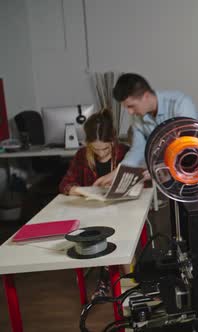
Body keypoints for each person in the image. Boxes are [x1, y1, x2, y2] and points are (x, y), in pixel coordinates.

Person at [58, 108, 129, 300]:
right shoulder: (82, 155)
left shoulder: (124, 153)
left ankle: (113, 278)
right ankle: (110, 277)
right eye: (95, 149)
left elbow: (140, 182)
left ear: (113, 141)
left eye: (105, 149)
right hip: (93, 211)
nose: (101, 153)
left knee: (120, 230)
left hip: (123, 210)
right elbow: (65, 184)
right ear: (88, 144)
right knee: (99, 230)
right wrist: (79, 190)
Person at [93, 73, 198, 186]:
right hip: (167, 176)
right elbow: (137, 149)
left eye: (131, 106)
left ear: (146, 96)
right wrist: (117, 173)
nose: (130, 112)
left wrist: (159, 167)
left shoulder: (180, 103)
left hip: (194, 166)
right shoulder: (137, 118)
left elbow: (187, 142)